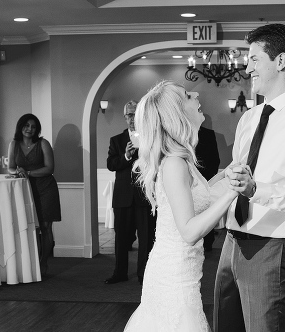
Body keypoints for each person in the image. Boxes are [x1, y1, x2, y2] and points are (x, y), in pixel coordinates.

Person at [215, 24, 285, 332]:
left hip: (271, 248)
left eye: (254, 59)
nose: (247, 67)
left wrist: (256, 189)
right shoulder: (248, 118)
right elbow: (237, 175)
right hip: (230, 242)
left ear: (280, 62)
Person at [122, 81, 239, 331]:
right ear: (177, 113)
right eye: (188, 95)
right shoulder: (174, 163)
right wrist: (232, 193)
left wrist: (227, 176)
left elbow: (203, 196)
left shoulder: (180, 159)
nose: (196, 94)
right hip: (173, 277)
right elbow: (189, 231)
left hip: (182, 272)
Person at [104, 101, 155, 284]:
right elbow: (111, 165)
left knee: (146, 239)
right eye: (129, 115)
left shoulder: (151, 138)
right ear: (125, 117)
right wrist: (125, 156)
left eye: (135, 114)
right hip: (123, 198)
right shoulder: (116, 140)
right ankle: (120, 273)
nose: (132, 118)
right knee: (121, 240)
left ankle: (144, 275)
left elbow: (157, 163)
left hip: (145, 197)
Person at [7, 113, 62, 276]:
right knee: (28, 227)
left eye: (33, 126)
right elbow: (10, 167)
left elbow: (49, 168)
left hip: (46, 189)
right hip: (24, 190)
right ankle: (29, 264)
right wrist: (17, 171)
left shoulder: (43, 143)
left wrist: (28, 172)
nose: (30, 129)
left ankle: (43, 263)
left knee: (45, 227)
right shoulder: (14, 144)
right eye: (26, 125)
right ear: (20, 126)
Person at [195, 124, 220, 252]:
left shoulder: (208, 134)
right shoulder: (178, 132)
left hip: (205, 179)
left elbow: (215, 159)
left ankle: (208, 242)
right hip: (186, 180)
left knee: (206, 210)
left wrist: (206, 180)